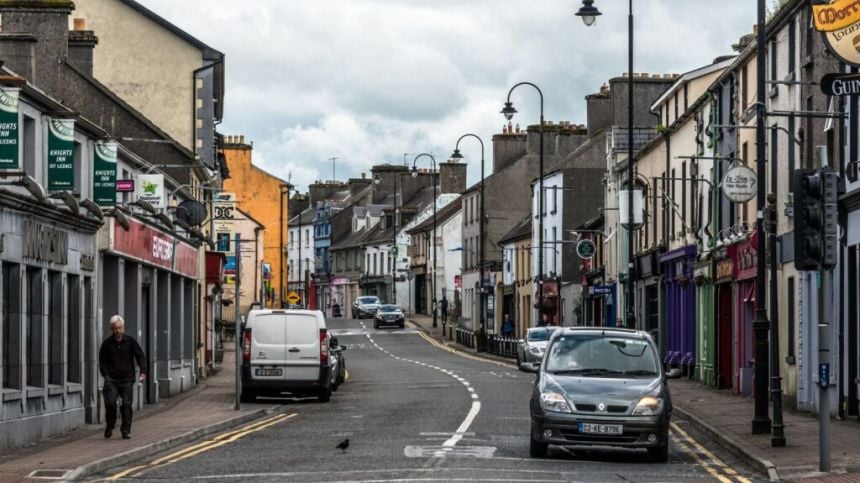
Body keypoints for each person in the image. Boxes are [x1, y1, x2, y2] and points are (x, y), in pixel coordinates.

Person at [99, 315, 146, 440]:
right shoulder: (107, 344)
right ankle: (110, 425)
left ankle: (126, 430)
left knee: (126, 405)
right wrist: (106, 376)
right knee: (110, 404)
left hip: (127, 379)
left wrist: (143, 371)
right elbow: (102, 361)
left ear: (123, 328)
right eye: (115, 328)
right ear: (111, 329)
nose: (117, 331)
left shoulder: (130, 341)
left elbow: (140, 355)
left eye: (119, 328)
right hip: (112, 380)